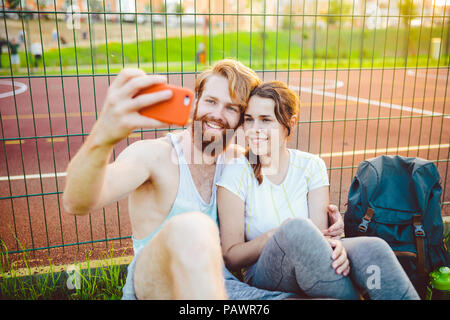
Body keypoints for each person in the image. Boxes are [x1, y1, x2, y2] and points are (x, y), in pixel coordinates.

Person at [62, 59, 344, 300]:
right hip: (158, 284)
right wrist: (103, 136)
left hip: (223, 287)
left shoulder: (238, 162)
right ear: (196, 101)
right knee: (193, 228)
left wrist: (328, 225)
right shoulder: (154, 156)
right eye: (211, 101)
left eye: (232, 108)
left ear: (241, 119)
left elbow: (284, 197)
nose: (217, 115)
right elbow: (77, 201)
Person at [216, 81, 420, 300]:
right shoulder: (236, 171)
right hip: (263, 272)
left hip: (314, 262)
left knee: (374, 249)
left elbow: (321, 238)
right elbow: (231, 256)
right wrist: (275, 236)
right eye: (249, 119)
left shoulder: (311, 165)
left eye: (266, 120)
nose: (255, 129)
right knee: (297, 229)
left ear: (290, 123)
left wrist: (336, 246)